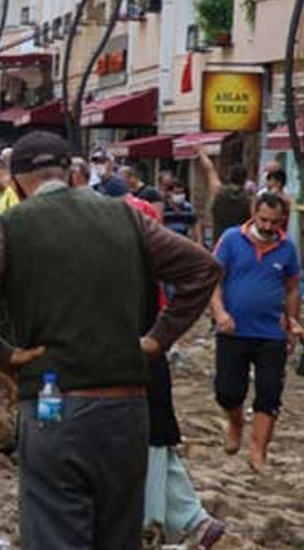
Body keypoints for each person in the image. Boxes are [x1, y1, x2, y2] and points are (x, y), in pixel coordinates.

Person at [0, 131, 220, 550]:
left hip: (54, 410)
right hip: (126, 410)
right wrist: (159, 338)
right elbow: (203, 268)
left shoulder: (7, 228)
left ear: (15, 184)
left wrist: (3, 357)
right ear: (72, 174)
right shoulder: (127, 217)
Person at [120, 191, 228, 550]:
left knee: (150, 447)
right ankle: (193, 519)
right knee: (158, 446)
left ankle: (153, 525)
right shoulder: (147, 270)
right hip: (150, 367)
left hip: (138, 371)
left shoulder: (132, 274)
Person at [210, 193, 304, 474]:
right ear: (254, 213)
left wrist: (292, 322)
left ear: (282, 220)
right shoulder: (230, 240)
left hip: (271, 334)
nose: (267, 226)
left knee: (269, 393)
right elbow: (214, 281)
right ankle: (236, 423)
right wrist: (219, 313)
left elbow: (291, 288)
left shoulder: (287, 249)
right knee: (227, 391)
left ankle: (258, 452)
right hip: (233, 330)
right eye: (263, 219)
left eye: (274, 222)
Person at [197, 145, 252, 244]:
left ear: (229, 176)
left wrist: (201, 153)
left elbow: (209, 170)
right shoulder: (249, 199)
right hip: (242, 242)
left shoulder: (218, 191)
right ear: (245, 180)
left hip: (220, 240)